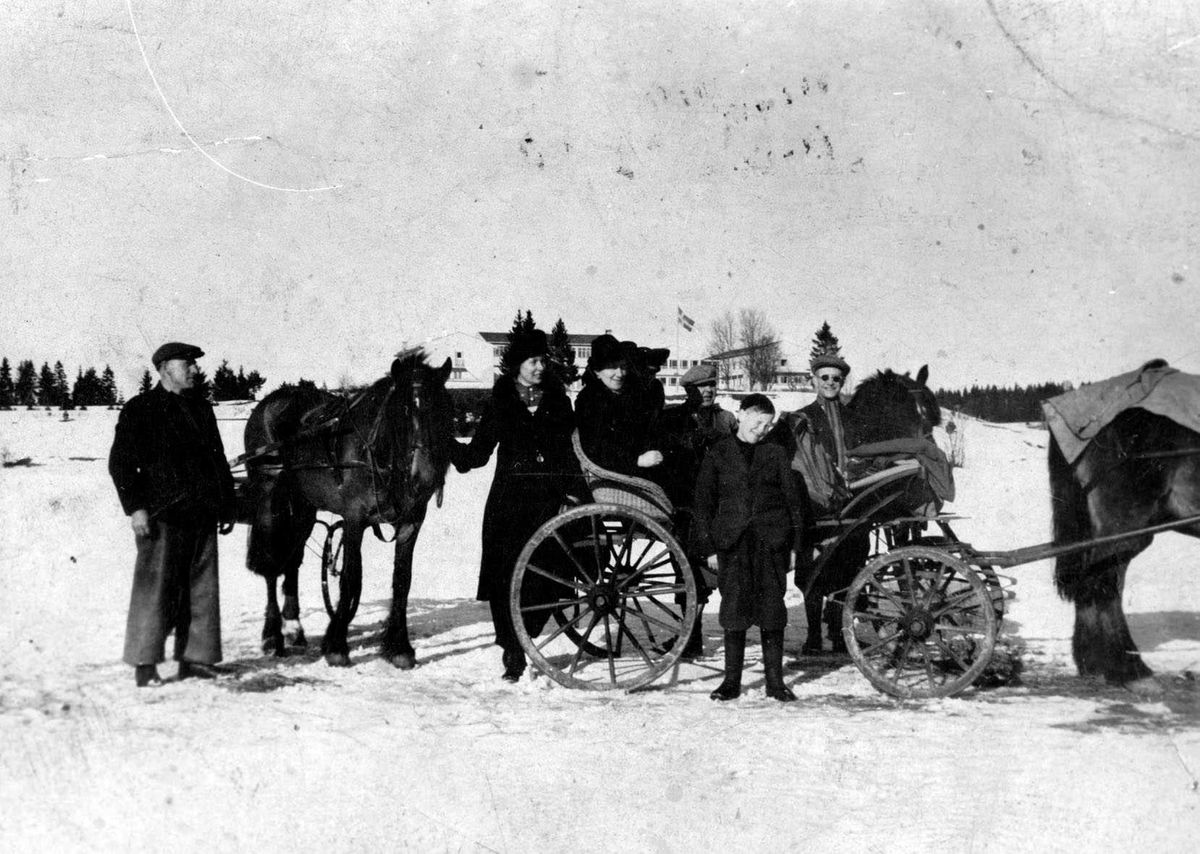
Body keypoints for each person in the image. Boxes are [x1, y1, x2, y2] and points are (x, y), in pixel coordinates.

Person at [449, 328, 579, 682]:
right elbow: (478, 454)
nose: (540, 367)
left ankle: (529, 631)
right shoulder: (500, 401)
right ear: (518, 365)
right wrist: (449, 447)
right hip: (509, 502)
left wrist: (573, 493)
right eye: (533, 361)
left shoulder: (558, 400)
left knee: (546, 572)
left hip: (549, 501)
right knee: (505, 575)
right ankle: (512, 650)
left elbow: (570, 452)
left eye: (542, 360)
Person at [109, 342, 236, 687]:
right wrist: (136, 508)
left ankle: (196, 659)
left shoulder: (201, 409)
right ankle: (145, 664)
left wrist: (226, 505)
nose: (195, 370)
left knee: (201, 589)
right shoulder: (141, 409)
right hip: (162, 516)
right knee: (157, 589)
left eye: (195, 364)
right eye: (188, 364)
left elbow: (217, 459)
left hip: (202, 512)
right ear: (164, 368)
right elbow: (121, 463)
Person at [692, 394, 808, 702]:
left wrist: (794, 546)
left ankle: (775, 682)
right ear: (740, 414)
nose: (763, 429)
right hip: (733, 543)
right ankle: (731, 683)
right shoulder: (718, 453)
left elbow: (792, 503)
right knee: (734, 610)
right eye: (758, 422)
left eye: (768, 425)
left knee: (772, 610)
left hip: (770, 543)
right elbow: (704, 504)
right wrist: (710, 549)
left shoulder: (776, 453)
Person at [785, 353, 867, 654]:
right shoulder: (801, 417)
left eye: (836, 379)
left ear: (842, 382)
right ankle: (813, 635)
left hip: (853, 503)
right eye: (825, 378)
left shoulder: (853, 418)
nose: (830, 383)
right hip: (814, 506)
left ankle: (837, 629)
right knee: (812, 570)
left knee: (847, 567)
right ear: (813, 381)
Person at [656, 362, 737, 658]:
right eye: (701, 387)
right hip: (684, 501)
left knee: (720, 567)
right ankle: (691, 635)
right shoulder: (673, 418)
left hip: (719, 501)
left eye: (711, 385)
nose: (707, 391)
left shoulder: (725, 419)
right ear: (689, 390)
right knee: (684, 566)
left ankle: (719, 635)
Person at [575, 334, 664, 476]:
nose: (620, 374)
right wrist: (636, 460)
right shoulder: (589, 400)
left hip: (647, 466)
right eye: (612, 367)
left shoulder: (632, 394)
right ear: (597, 371)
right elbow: (595, 448)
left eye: (623, 367)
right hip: (618, 475)